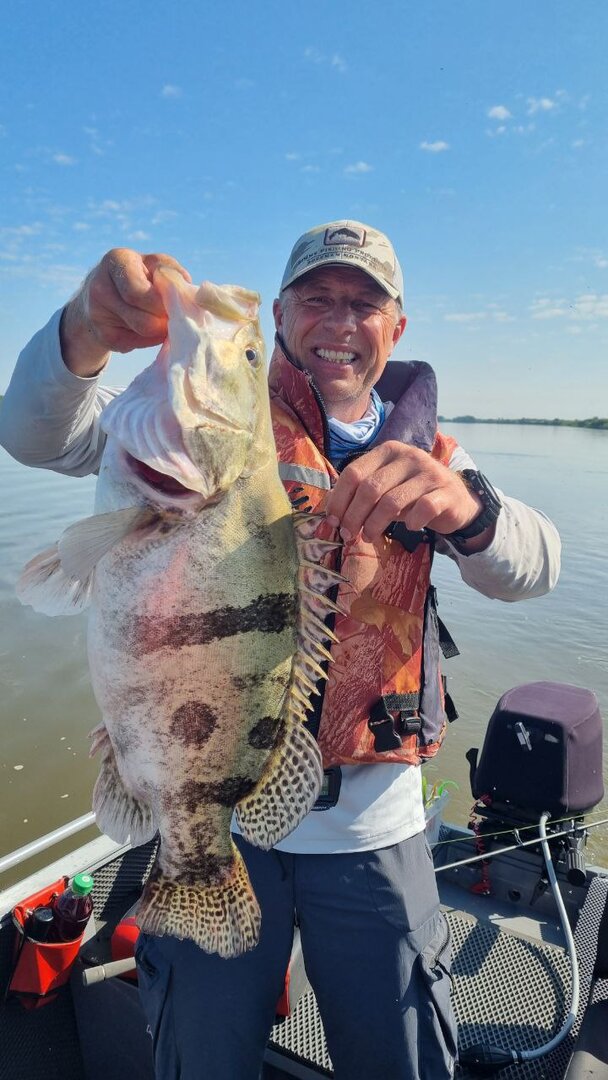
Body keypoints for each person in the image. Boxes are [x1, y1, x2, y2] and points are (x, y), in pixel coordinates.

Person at [0, 220, 560, 1080]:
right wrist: (82, 329)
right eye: (316, 297)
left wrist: (470, 507)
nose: (340, 320)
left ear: (397, 326)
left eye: (364, 303)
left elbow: (535, 568)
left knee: (402, 1057)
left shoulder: (438, 453)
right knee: (200, 1055)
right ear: (284, 315)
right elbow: (35, 433)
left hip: (374, 829)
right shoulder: (186, 429)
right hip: (220, 815)